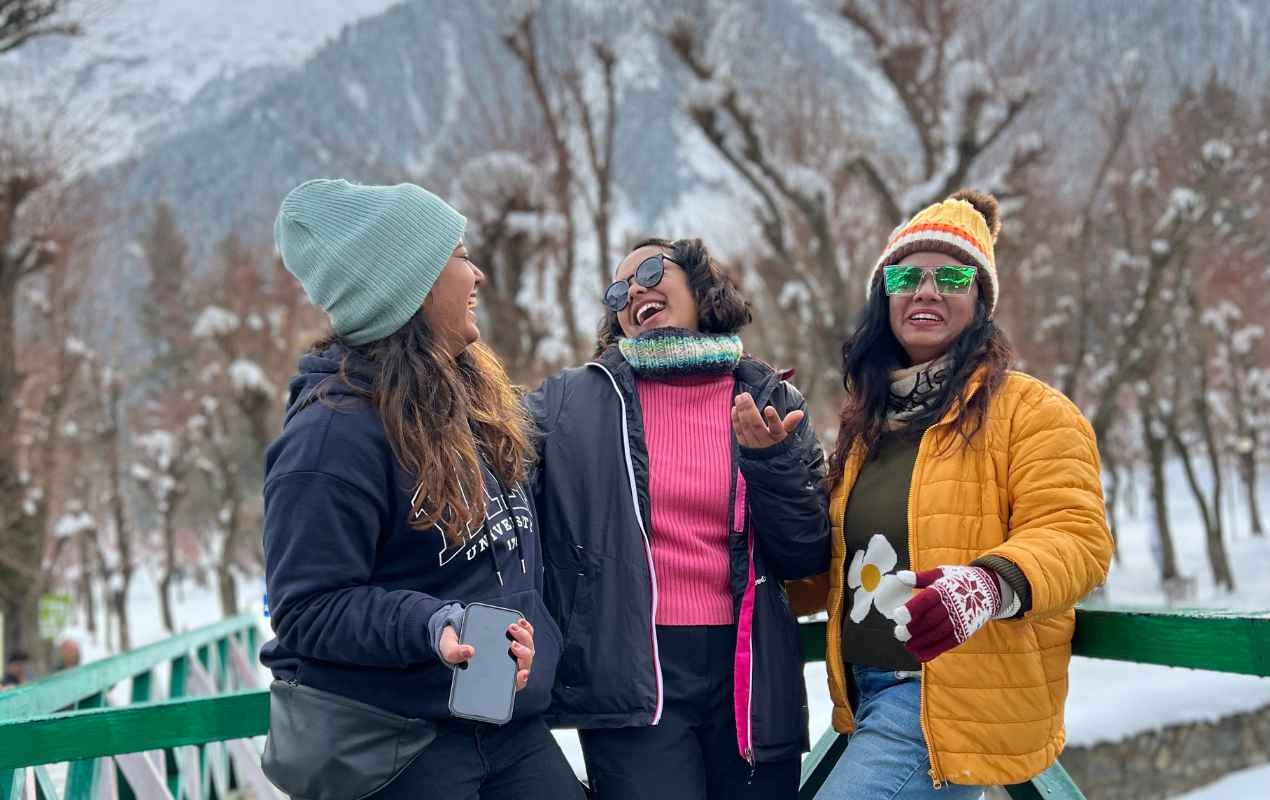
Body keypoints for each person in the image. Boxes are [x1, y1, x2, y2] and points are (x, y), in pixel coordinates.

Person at [260, 179, 581, 800]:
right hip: (395, 742)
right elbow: (307, 608)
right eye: (459, 255)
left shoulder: (476, 407)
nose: (478, 273)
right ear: (412, 286)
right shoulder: (333, 435)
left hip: (503, 725)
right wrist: (429, 624)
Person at [789, 190, 1113, 799]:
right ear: (885, 296)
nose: (927, 290)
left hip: (947, 693)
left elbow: (1077, 535)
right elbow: (833, 565)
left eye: (953, 275)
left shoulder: (1032, 410)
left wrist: (989, 585)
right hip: (864, 698)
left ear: (981, 300)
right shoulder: (867, 426)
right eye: (908, 275)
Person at [527, 238, 830, 799]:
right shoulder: (572, 403)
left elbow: (806, 552)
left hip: (752, 671)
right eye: (618, 291)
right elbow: (486, 465)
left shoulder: (769, 396)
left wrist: (769, 462)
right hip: (632, 675)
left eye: (649, 269)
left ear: (700, 284)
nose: (634, 290)